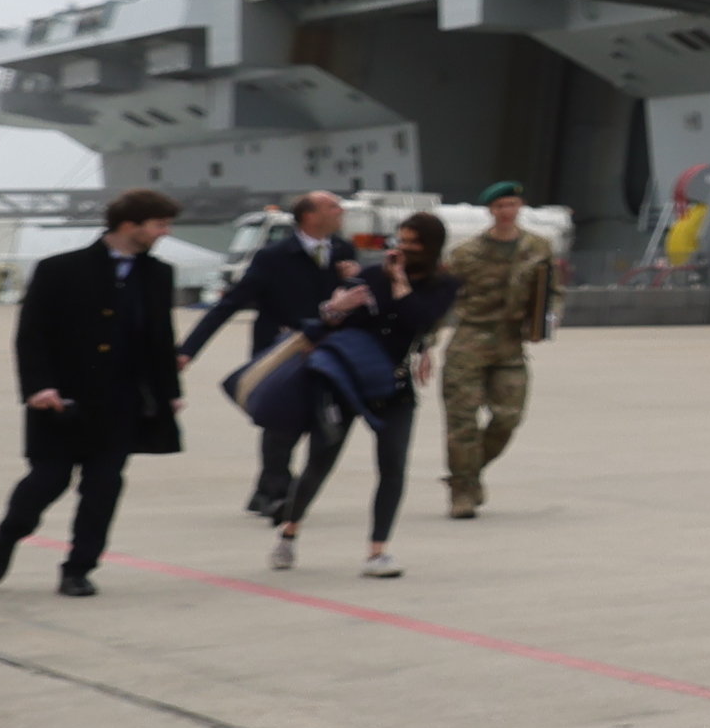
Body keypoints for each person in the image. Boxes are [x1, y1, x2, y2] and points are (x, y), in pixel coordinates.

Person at [0, 188, 188, 596]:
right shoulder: (58, 269)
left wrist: (168, 391)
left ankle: (78, 568)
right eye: (159, 224)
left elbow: (159, 337)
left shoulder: (158, 274)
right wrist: (38, 387)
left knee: (103, 488)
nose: (164, 232)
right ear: (129, 225)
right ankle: (9, 534)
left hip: (120, 402)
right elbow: (31, 335)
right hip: (60, 399)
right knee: (47, 480)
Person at [272, 211, 453, 578]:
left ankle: (378, 551)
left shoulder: (444, 284)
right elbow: (330, 323)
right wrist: (336, 308)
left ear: (431, 248)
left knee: (393, 467)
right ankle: (289, 531)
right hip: (349, 382)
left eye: (414, 243)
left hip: (395, 387)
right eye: (401, 240)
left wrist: (400, 284)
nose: (404, 248)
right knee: (321, 459)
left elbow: (420, 321)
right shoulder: (370, 276)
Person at [183, 193, 362, 519]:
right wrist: (187, 351)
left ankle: (266, 491)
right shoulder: (272, 257)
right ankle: (276, 494)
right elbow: (230, 304)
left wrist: (354, 278)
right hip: (281, 353)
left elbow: (351, 301)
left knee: (320, 424)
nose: (341, 212)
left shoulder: (343, 251)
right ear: (309, 216)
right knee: (282, 424)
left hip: (329, 352)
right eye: (333, 207)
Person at [436, 182, 564, 519]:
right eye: (501, 206)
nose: (507, 211)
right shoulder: (464, 254)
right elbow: (440, 298)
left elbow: (552, 291)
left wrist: (545, 325)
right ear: (491, 211)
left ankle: (469, 472)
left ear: (520, 207)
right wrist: (423, 341)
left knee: (508, 417)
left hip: (510, 345)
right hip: (470, 342)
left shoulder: (538, 247)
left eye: (512, 204)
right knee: (462, 421)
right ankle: (462, 491)